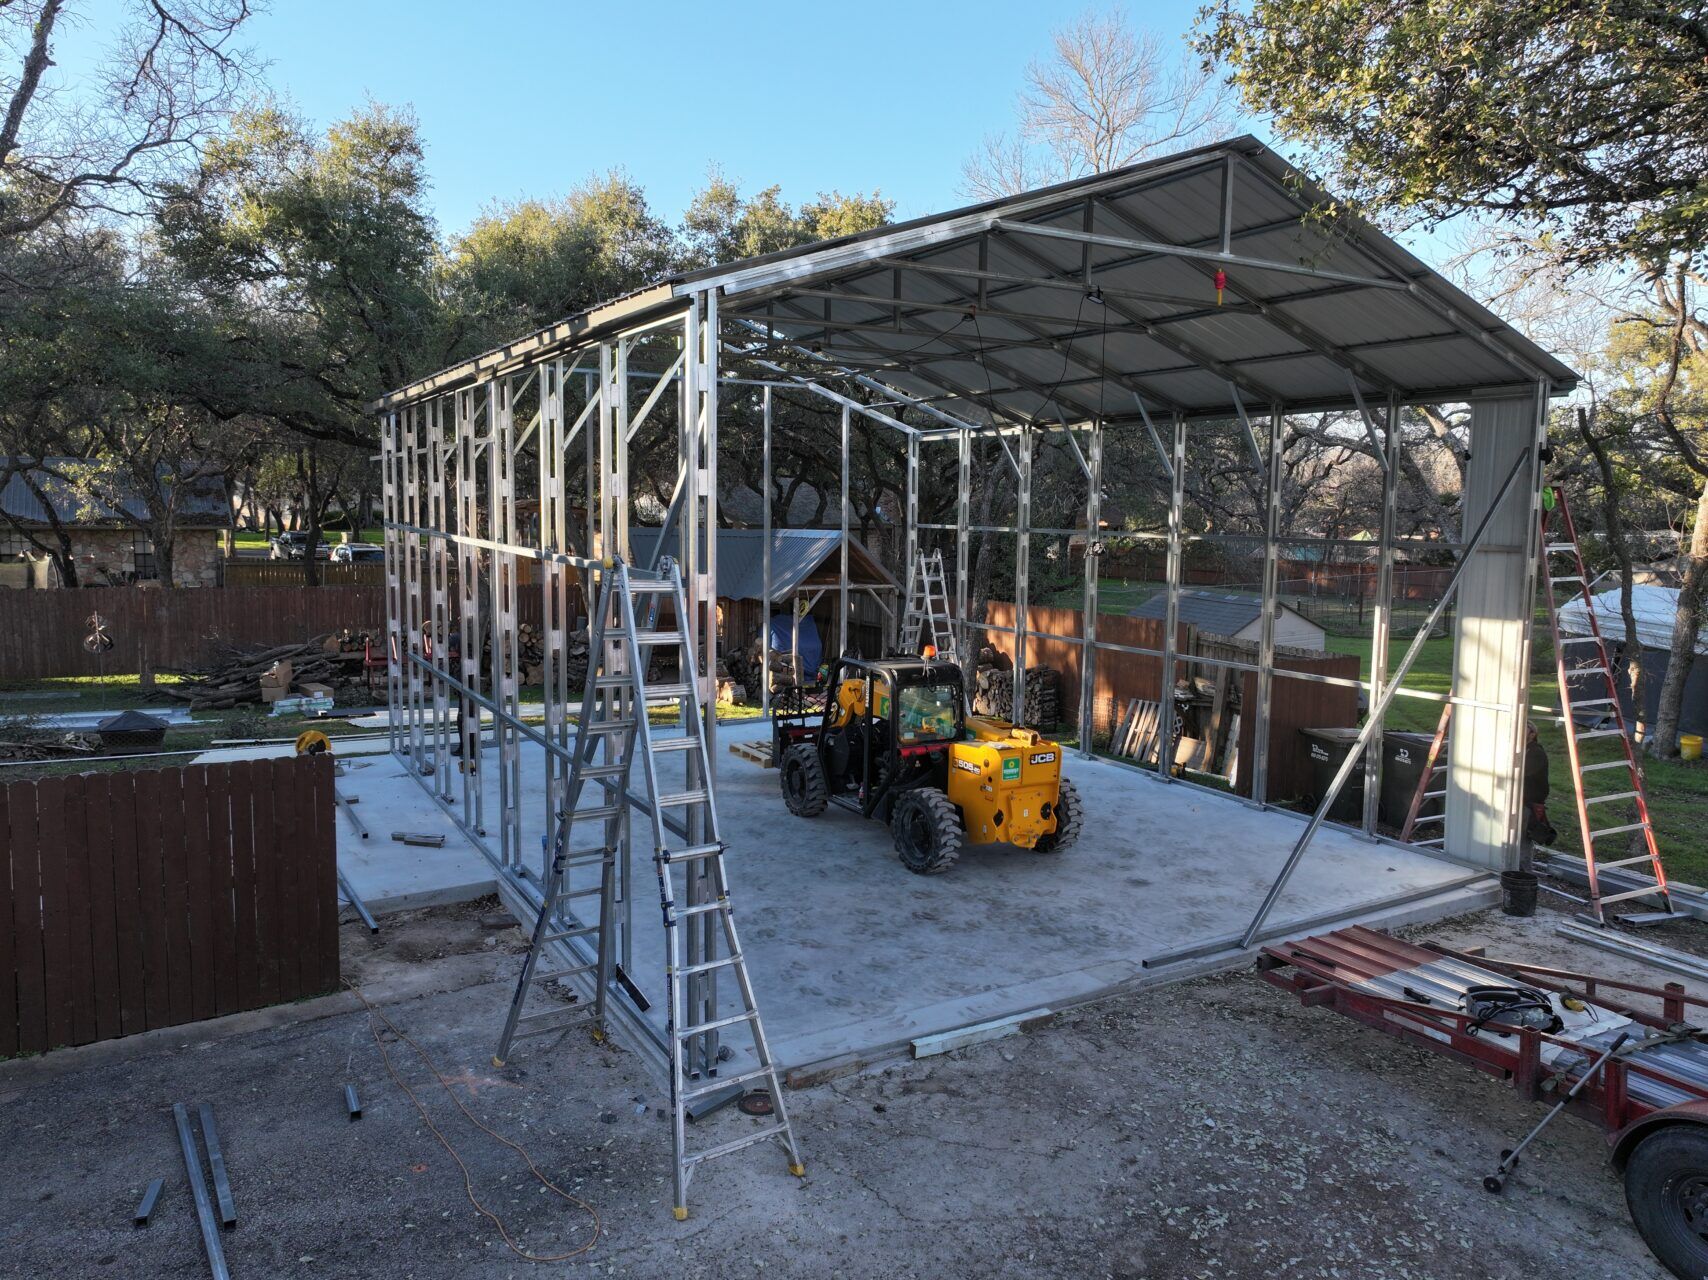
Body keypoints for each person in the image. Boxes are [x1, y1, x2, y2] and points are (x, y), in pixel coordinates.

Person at [1520, 722, 1557, 872]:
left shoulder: (1536, 753)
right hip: (1521, 801)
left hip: (1528, 804)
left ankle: (1524, 876)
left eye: (1523, 730)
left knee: (1522, 841)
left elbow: (1523, 772)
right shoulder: (1523, 750)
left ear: (1532, 734)